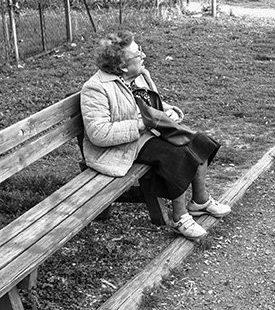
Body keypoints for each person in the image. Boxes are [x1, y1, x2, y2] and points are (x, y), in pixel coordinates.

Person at [80, 30, 231, 241]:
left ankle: (200, 201)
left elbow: (156, 104)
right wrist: (142, 124)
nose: (143, 56)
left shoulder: (141, 76)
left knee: (198, 141)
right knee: (177, 153)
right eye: (137, 54)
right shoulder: (96, 88)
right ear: (123, 66)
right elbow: (99, 134)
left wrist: (171, 112)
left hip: (148, 134)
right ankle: (180, 217)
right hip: (119, 148)